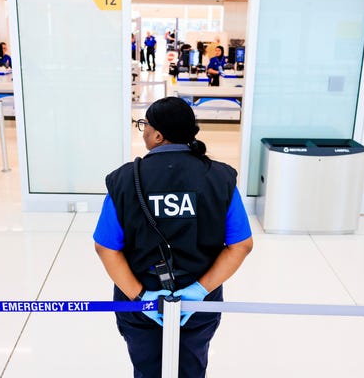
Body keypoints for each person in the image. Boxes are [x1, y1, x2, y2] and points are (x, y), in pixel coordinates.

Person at [93, 96, 253, 378]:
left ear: (157, 135)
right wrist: (200, 291)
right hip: (199, 303)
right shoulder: (220, 178)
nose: (142, 130)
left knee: (147, 368)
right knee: (191, 367)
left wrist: (140, 295)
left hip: (140, 304)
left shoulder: (124, 180)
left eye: (144, 125)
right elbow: (241, 245)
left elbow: (106, 247)